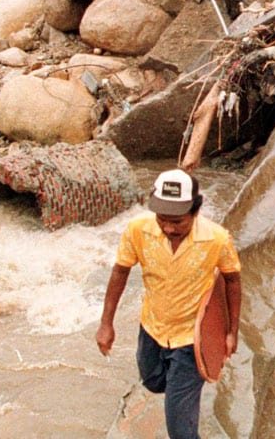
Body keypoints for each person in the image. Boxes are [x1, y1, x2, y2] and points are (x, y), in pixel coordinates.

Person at [96, 169, 242, 439]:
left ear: (195, 211)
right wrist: (106, 323)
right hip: (152, 328)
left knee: (180, 427)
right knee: (152, 381)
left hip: (191, 339)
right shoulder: (138, 231)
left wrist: (231, 331)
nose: (169, 228)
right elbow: (120, 272)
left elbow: (232, 280)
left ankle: (185, 400)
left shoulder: (217, 239)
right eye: (162, 219)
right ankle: (181, 394)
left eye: (178, 221)